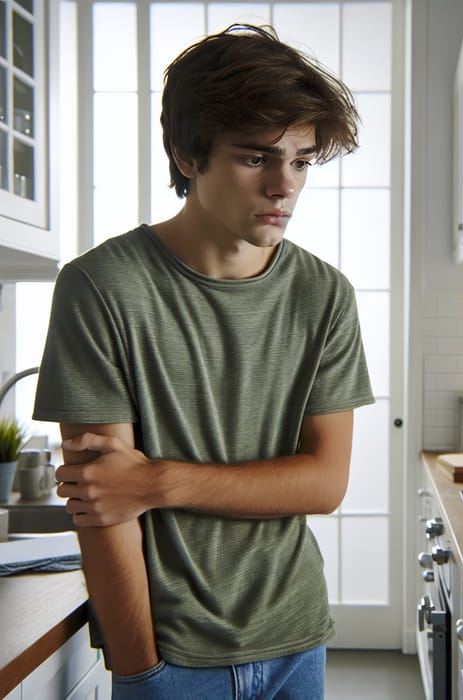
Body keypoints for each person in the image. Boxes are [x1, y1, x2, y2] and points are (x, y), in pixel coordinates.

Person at [33, 23, 374, 699]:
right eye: (257, 158)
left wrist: (159, 481)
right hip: (169, 659)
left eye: (302, 161)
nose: (285, 186)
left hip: (297, 639)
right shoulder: (101, 287)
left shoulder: (324, 294)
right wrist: (141, 671)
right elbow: (103, 505)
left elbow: (325, 483)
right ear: (188, 156)